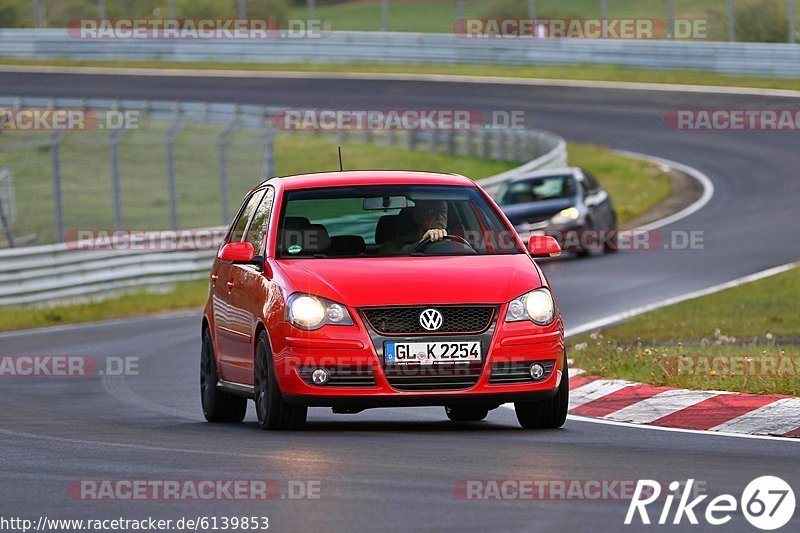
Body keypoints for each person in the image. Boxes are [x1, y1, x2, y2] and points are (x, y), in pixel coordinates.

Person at [379, 199, 449, 255]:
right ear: (417, 217)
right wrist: (422, 243)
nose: (439, 216)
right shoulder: (392, 246)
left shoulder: (456, 239)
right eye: (431, 211)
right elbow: (391, 264)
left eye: (443, 211)